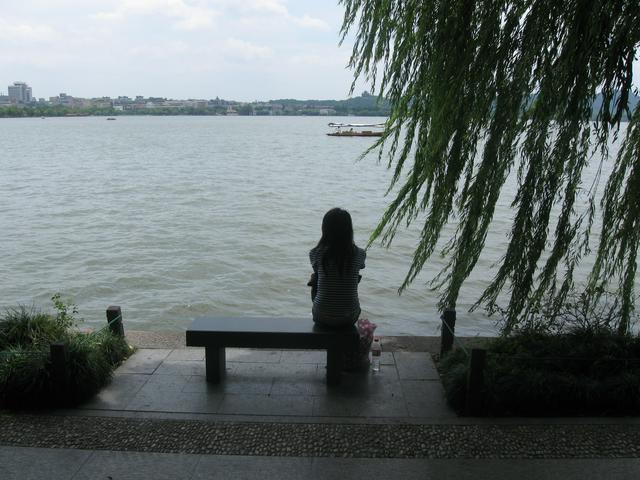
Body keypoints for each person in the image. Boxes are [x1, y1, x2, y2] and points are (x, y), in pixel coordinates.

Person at [308, 208, 366, 327]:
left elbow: (319, 274)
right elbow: (359, 267)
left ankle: (326, 307)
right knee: (354, 276)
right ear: (349, 230)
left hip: (321, 316)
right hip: (349, 317)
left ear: (325, 229)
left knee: (316, 277)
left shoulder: (315, 253)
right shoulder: (360, 253)